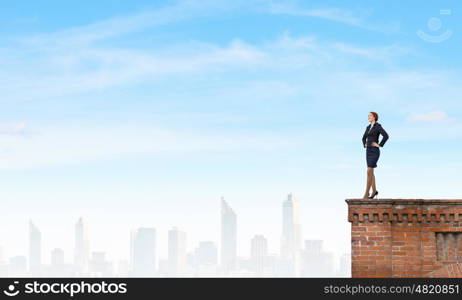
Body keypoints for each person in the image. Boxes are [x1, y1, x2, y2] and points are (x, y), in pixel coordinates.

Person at [362, 112, 389, 199]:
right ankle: (374, 191)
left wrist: (379, 144)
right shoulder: (368, 127)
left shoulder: (378, 126)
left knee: (369, 170)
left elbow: (386, 136)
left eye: (370, 116)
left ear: (374, 117)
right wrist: (364, 144)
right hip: (368, 151)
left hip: (374, 151)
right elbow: (363, 137)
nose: (368, 117)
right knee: (371, 171)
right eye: (368, 116)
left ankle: (366, 193)